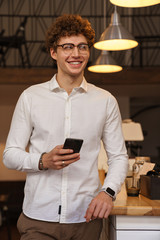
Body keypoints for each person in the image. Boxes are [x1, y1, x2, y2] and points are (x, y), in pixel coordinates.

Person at [3, 14, 128, 240]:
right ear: (54, 52)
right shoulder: (30, 97)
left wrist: (108, 192)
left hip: (86, 218)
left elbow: (118, 156)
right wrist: (43, 160)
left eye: (82, 47)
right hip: (38, 217)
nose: (76, 54)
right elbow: (10, 155)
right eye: (67, 47)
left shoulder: (105, 101)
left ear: (89, 52)